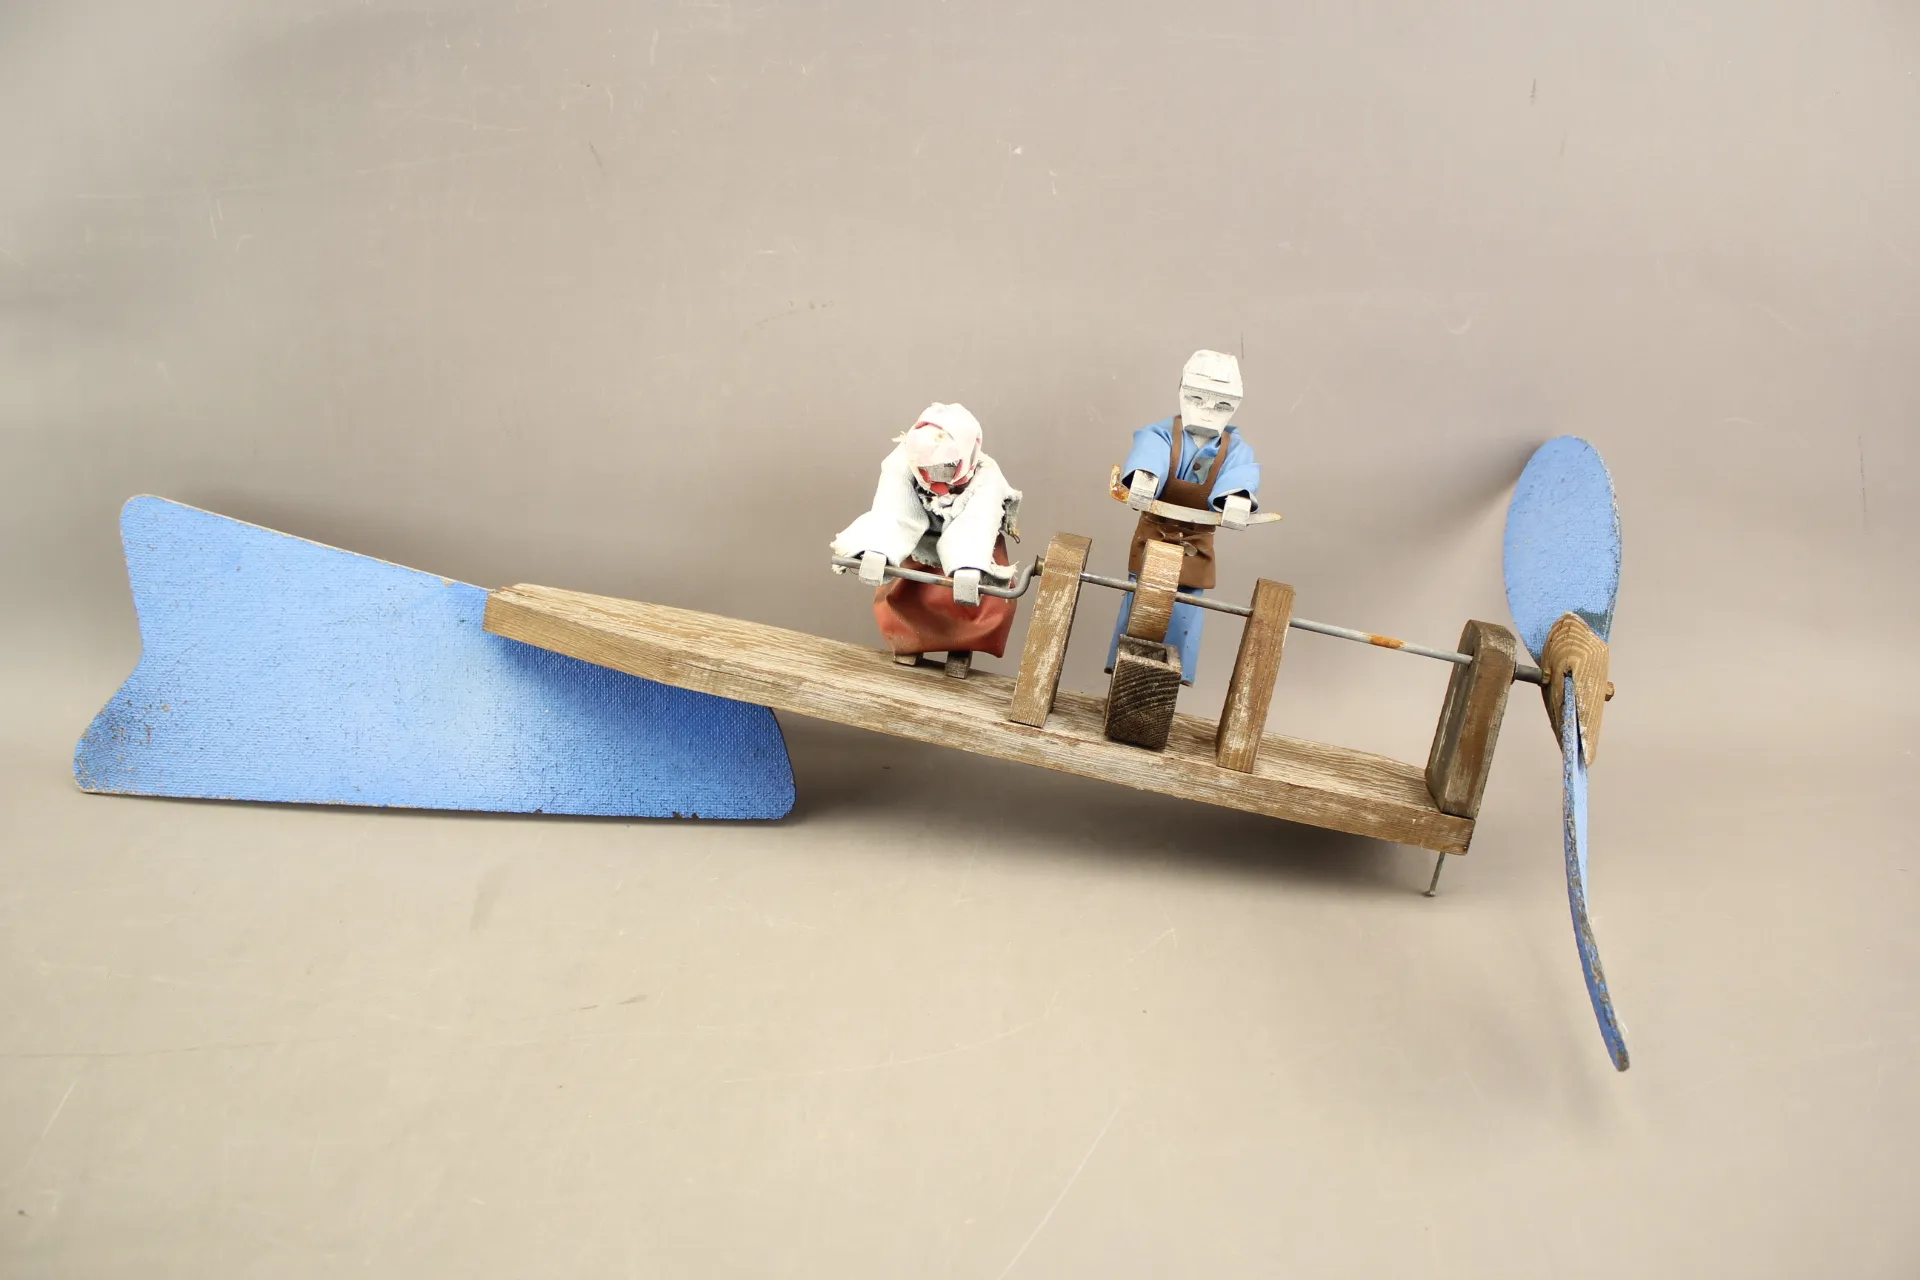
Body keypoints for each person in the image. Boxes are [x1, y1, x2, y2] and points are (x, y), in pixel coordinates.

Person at [831, 403, 1021, 677]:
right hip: (917, 543)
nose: (935, 479)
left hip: (971, 544)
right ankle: (909, 643)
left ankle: (960, 648)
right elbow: (893, 508)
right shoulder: (902, 461)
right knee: (907, 596)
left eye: (945, 470)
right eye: (927, 470)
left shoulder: (986, 476)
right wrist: (878, 549)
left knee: (967, 605)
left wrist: (967, 564)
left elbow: (977, 521)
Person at [1107, 350, 1262, 684]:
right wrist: (1145, 477)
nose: (1207, 410)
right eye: (1197, 399)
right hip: (1155, 534)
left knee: (1186, 607)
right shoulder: (1161, 434)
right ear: (1182, 392)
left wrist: (1237, 497)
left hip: (1196, 543)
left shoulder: (1235, 449)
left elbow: (1242, 472)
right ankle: (1125, 668)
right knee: (1139, 600)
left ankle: (1170, 676)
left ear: (1234, 406)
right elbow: (1150, 451)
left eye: (1221, 404)